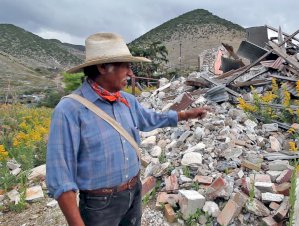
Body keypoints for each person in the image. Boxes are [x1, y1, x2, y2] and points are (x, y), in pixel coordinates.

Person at [46, 32, 209, 226]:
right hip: (100, 206)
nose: (131, 74)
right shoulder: (69, 110)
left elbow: (150, 119)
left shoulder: (127, 100)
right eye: (126, 67)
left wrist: (184, 115)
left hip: (133, 191)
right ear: (102, 67)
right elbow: (61, 179)